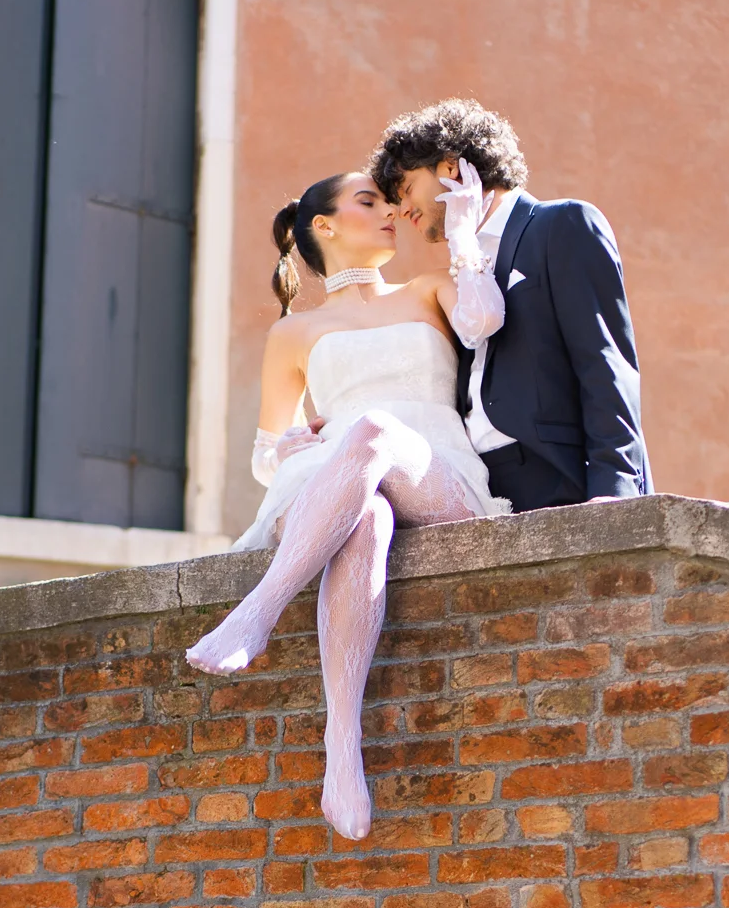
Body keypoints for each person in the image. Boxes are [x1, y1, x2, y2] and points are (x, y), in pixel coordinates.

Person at [185, 167, 509, 842]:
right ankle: (341, 751)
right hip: (349, 484)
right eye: (369, 201)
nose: (389, 210)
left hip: (438, 475)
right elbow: (266, 454)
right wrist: (290, 444)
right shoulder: (294, 333)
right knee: (366, 519)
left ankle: (258, 613)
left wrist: (460, 234)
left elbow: (483, 320)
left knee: (370, 429)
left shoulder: (427, 290)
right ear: (324, 227)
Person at [370, 99, 651, 514]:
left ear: (450, 166)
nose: (402, 209)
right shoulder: (454, 276)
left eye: (407, 188)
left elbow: (605, 364)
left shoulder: (562, 225)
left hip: (558, 477)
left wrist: (616, 490)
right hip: (479, 489)